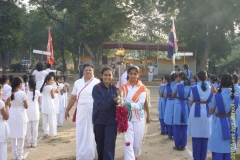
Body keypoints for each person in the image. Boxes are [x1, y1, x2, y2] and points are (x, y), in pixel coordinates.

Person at [65, 64, 100, 160]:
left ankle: (91, 154)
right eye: (86, 70)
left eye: (90, 70)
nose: (88, 72)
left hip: (93, 110)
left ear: (93, 72)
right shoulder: (78, 82)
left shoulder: (97, 82)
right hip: (81, 110)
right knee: (81, 131)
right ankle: (81, 155)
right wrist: (67, 109)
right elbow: (73, 97)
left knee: (91, 132)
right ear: (83, 71)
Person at [208, 73, 239, 159]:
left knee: (218, 151)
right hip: (231, 123)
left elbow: (211, 111)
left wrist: (215, 94)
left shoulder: (216, 96)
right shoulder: (236, 97)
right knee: (230, 151)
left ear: (221, 81)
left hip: (219, 124)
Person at [92, 67, 119, 160]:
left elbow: (119, 105)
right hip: (99, 121)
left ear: (112, 76)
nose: (107, 77)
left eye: (109, 75)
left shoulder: (116, 89)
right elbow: (101, 105)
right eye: (105, 75)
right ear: (101, 76)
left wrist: (121, 100)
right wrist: (113, 100)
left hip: (112, 122)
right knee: (100, 146)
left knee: (109, 146)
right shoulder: (96, 88)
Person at [120, 66, 147, 160]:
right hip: (126, 119)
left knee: (137, 144)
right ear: (128, 74)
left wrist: (127, 104)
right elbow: (120, 101)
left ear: (138, 75)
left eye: (135, 74)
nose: (132, 75)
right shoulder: (123, 86)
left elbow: (140, 105)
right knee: (128, 143)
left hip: (139, 118)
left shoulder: (142, 88)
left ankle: (135, 157)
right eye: (131, 73)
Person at [188, 70, 212, 160]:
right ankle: (203, 157)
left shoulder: (194, 88)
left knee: (196, 136)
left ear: (198, 78)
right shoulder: (211, 88)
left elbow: (190, 101)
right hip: (207, 111)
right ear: (206, 77)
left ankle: (196, 158)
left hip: (196, 111)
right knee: (205, 137)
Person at [8, 77, 28, 160]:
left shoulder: (10, 92)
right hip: (20, 113)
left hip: (12, 113)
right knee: (20, 135)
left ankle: (14, 154)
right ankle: (20, 155)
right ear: (20, 84)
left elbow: (9, 104)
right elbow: (26, 106)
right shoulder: (22, 93)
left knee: (13, 135)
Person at [172, 72, 191, 151]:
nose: (177, 78)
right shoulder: (189, 86)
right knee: (184, 126)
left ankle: (177, 144)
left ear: (181, 77)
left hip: (178, 105)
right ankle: (183, 144)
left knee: (177, 126)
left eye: (178, 77)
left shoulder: (177, 85)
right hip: (186, 105)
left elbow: (173, 95)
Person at [26, 78, 41, 148]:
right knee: (35, 128)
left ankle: (29, 142)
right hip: (35, 111)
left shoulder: (26, 92)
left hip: (27, 112)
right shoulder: (37, 92)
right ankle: (34, 142)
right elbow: (38, 102)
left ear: (28, 85)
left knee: (28, 128)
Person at [164, 73, 177, 139]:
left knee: (169, 117)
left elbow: (165, 95)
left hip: (169, 101)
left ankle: (170, 134)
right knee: (175, 117)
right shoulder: (177, 85)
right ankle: (175, 134)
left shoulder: (167, 85)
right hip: (176, 101)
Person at [0, 84, 10, 160]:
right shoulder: (1, 103)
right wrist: (6, 105)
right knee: (2, 150)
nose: (2, 92)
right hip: (1, 127)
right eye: (1, 90)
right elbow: (6, 117)